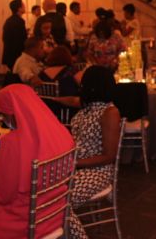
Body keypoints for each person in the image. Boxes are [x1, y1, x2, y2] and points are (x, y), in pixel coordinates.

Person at [0, 84, 75, 238]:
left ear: (12, 113)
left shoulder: (12, 142)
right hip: (56, 214)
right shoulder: (61, 131)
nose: (3, 120)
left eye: (2, 115)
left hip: (22, 223)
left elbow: (1, 196)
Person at [67, 66, 121, 238]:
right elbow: (71, 100)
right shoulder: (88, 107)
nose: (80, 85)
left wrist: (75, 163)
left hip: (97, 171)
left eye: (84, 82)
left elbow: (109, 156)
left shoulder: (110, 112)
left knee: (58, 203)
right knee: (46, 196)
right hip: (76, 167)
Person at [1, 0, 27, 70]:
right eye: (23, 5)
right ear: (19, 8)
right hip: (16, 54)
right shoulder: (19, 21)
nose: (25, 6)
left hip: (9, 54)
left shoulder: (9, 20)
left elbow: (5, 38)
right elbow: (22, 40)